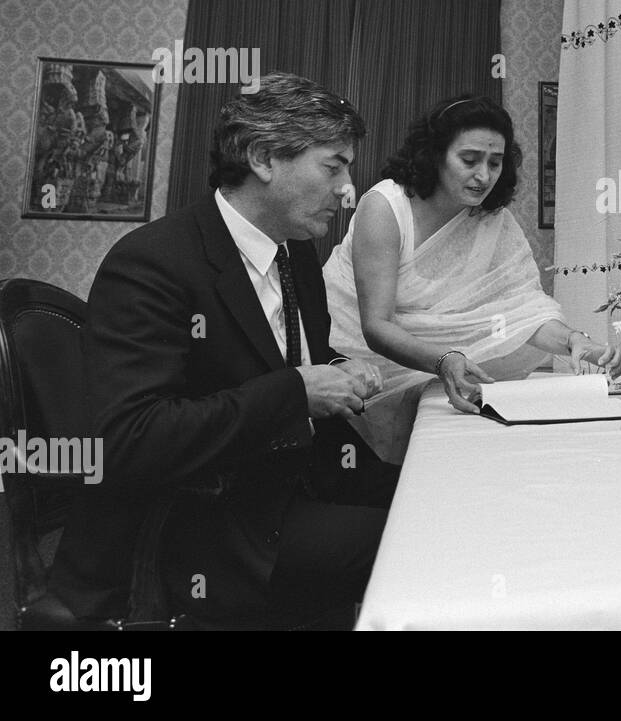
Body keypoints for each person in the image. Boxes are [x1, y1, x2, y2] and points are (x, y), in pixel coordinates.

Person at [49, 73, 396, 628]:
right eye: (334, 166)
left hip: (295, 488)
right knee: (422, 546)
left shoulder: (296, 254)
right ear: (263, 157)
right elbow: (130, 439)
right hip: (205, 528)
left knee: (438, 506)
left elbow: (285, 361)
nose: (347, 189)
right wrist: (298, 392)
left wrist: (336, 371)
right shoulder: (154, 263)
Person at [322, 95, 621, 461]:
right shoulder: (385, 207)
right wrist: (444, 359)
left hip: (441, 370)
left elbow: (521, 312)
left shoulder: (491, 219)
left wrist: (574, 340)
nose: (484, 176)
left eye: (495, 163)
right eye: (469, 160)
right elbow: (376, 325)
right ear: (434, 154)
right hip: (359, 364)